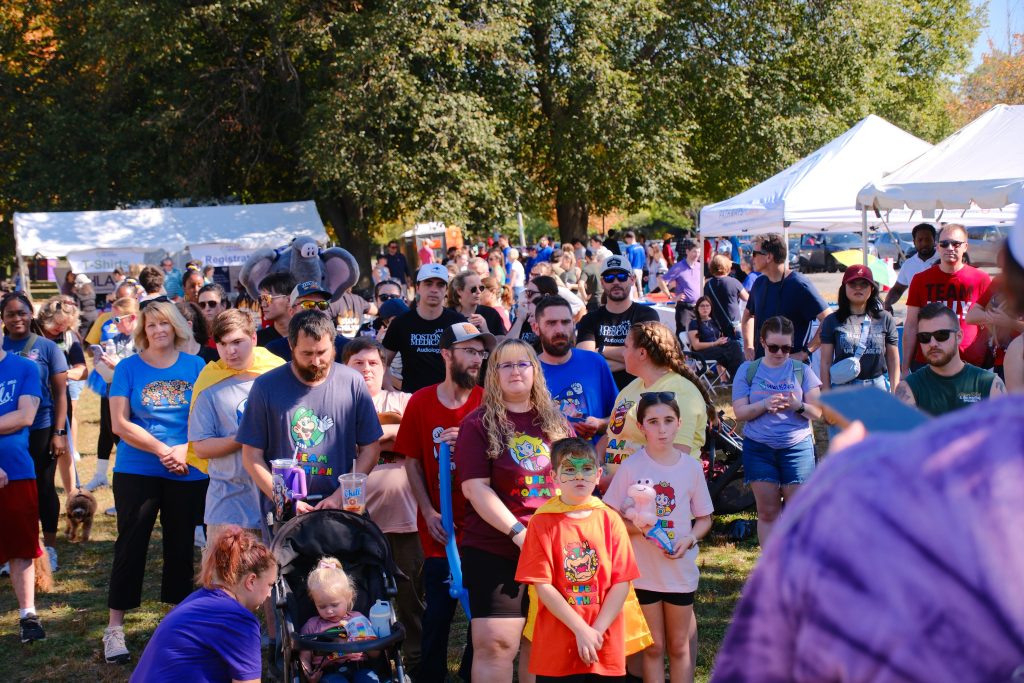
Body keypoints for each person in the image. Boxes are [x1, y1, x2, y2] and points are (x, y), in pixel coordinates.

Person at [455, 338, 573, 682]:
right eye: (505, 365)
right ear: (493, 375)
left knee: (545, 644)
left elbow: (576, 482)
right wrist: (520, 534)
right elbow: (475, 489)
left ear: (536, 371)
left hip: (556, 547)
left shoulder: (557, 423)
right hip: (497, 546)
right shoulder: (477, 424)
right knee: (497, 645)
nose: (515, 371)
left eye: (523, 363)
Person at [102, 299, 209, 664]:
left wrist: (184, 450)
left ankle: (178, 627)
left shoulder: (196, 366)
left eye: (164, 323)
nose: (158, 330)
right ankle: (114, 629)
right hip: (137, 468)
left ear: (176, 327)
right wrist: (164, 449)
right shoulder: (128, 368)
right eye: (151, 325)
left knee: (181, 548)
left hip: (186, 468)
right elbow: (120, 423)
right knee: (130, 545)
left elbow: (205, 417)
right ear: (142, 331)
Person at [394, 322, 488, 683]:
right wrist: (428, 510)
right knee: (438, 612)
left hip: (481, 526)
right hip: (440, 528)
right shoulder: (420, 402)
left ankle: (470, 672)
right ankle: (430, 675)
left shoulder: (487, 401)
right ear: (446, 354)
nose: (477, 359)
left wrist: (468, 439)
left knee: (481, 610)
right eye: (469, 351)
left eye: (480, 352)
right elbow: (412, 461)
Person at [604, 393, 714, 683]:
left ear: (679, 423)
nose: (662, 429)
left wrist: (690, 539)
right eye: (653, 422)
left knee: (679, 646)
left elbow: (705, 518)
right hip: (643, 574)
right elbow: (609, 516)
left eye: (668, 420)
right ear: (642, 427)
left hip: (679, 573)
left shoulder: (691, 467)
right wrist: (638, 529)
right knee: (653, 647)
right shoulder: (631, 467)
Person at [515, 438, 639, 681]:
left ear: (598, 475)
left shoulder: (610, 520)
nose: (579, 476)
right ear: (554, 476)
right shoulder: (541, 522)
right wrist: (581, 630)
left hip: (604, 642)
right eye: (570, 469)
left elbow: (622, 581)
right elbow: (542, 585)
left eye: (587, 468)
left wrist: (596, 632)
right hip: (557, 645)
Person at [239, 310, 383, 514]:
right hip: (286, 514)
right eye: (307, 354)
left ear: (333, 345)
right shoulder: (265, 386)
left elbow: (371, 450)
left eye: (322, 352)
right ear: (291, 346)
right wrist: (286, 499)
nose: (315, 361)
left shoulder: (352, 382)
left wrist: (340, 495)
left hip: (341, 509)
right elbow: (251, 456)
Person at [342, 337, 422, 669]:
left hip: (406, 518)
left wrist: (369, 441)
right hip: (354, 521)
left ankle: (416, 661)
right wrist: (391, 436)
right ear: (343, 368)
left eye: (374, 363)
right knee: (360, 596)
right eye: (358, 363)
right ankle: (369, 660)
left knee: (411, 597)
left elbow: (416, 437)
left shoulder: (405, 400)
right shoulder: (337, 406)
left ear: (385, 368)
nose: (366, 369)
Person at [129, 527, 276, 683]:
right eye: (270, 585)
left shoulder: (197, 598)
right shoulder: (239, 620)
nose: (269, 594)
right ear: (251, 581)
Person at [189, 310, 284, 540]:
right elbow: (200, 448)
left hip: (277, 501)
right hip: (228, 503)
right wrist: (244, 437)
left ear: (254, 338)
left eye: (237, 342)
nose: (230, 351)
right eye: (222, 344)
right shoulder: (209, 382)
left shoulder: (278, 373)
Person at [731, 316, 823, 546]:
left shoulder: (802, 370)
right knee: (768, 512)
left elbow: (818, 412)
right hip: (759, 448)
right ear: (762, 342)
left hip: (796, 448)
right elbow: (740, 412)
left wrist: (797, 406)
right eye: (773, 347)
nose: (780, 353)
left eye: (786, 348)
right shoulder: (748, 370)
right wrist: (764, 405)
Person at [1, 292, 69, 573]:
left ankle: (49, 548)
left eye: (22, 312)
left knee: (43, 486)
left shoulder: (47, 347)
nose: (17, 318)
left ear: (31, 314)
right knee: (9, 489)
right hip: (6, 431)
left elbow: (61, 394)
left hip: (41, 427)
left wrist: (59, 432)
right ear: (2, 318)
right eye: (10, 314)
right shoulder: (1, 346)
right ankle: (12, 549)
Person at [600, 321, 714, 487]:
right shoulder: (633, 387)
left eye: (626, 347)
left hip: (662, 495)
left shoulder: (680, 392)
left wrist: (613, 483)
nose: (623, 353)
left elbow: (673, 460)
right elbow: (611, 435)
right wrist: (595, 463)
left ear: (642, 353)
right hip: (623, 493)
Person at [0, 322, 46, 643]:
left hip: (17, 470)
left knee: (22, 546)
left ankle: (28, 615)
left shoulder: (25, 367)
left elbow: (25, 416)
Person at [902, 223, 991, 375]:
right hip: (928, 363)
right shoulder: (920, 280)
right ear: (938, 247)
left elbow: (990, 324)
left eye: (956, 244)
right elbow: (911, 325)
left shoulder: (981, 279)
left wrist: (981, 352)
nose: (950, 248)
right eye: (944, 244)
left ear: (965, 247)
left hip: (970, 364)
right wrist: (905, 368)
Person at [533, 296, 617, 444]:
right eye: (551, 323)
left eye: (565, 322)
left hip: (595, 455)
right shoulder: (528, 372)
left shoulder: (595, 362)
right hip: (549, 457)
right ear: (536, 328)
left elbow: (619, 416)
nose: (560, 330)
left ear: (573, 324)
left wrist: (600, 424)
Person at [895, 302, 1003, 415]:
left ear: (959, 337)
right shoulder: (908, 388)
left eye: (941, 335)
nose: (932, 343)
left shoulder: (989, 384)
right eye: (924, 337)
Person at [83, 295, 141, 494]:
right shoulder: (116, 339)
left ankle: (130, 492)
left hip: (133, 402)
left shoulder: (143, 341)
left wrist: (118, 366)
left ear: (132, 317)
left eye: (117, 319)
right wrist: (101, 363)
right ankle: (109, 482)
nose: (114, 325)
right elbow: (111, 374)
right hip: (113, 394)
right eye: (112, 320)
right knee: (110, 434)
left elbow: (141, 372)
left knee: (129, 445)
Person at [577, 256, 661, 389]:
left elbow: (648, 355)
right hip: (601, 393)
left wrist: (601, 350)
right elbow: (586, 362)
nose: (615, 282)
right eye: (609, 278)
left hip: (640, 393)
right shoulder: (589, 319)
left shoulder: (647, 315)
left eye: (622, 277)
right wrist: (634, 361)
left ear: (632, 280)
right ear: (602, 282)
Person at [741, 233, 829, 361]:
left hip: (791, 368)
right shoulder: (759, 283)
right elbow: (748, 315)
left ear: (769, 257)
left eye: (755, 253)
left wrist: (805, 352)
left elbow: (828, 319)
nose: (751, 258)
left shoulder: (799, 285)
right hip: (762, 366)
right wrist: (748, 346)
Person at [382, 264, 467, 394]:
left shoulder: (458, 322)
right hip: (413, 399)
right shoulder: (401, 323)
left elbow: (471, 362)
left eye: (440, 285)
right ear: (417, 288)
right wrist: (392, 393)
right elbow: (382, 363)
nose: (434, 290)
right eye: (428, 284)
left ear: (446, 290)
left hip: (451, 398)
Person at [818, 264, 900, 392]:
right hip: (843, 389)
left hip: (877, 388)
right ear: (844, 287)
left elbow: (893, 359)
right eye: (852, 284)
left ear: (872, 288)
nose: (858, 288)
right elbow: (825, 362)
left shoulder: (885, 318)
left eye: (864, 284)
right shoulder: (831, 320)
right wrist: (826, 394)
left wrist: (895, 391)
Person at [300, 557, 377, 683]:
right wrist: (309, 674)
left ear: (348, 597)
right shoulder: (312, 626)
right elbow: (304, 657)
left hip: (359, 667)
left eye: (335, 605)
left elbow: (375, 655)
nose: (329, 611)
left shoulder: (358, 619)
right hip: (329, 672)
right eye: (322, 606)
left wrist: (368, 642)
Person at [38, 297, 87, 487]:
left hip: (59, 397)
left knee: (64, 445)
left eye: (66, 324)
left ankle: (73, 491)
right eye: (58, 324)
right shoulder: (32, 331)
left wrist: (60, 375)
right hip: (34, 398)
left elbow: (82, 370)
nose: (60, 328)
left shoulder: (68, 336)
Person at [267, 282, 350, 362]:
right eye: (308, 304)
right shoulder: (274, 350)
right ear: (292, 312)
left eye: (322, 304)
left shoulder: (345, 347)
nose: (317, 309)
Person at [882, 223, 939, 313]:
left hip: (941, 313)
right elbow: (897, 290)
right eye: (920, 240)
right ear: (914, 242)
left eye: (928, 239)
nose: (924, 243)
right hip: (916, 315)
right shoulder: (908, 264)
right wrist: (887, 304)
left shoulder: (943, 260)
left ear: (934, 240)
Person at [687, 296, 744, 380]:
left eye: (707, 306)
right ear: (697, 308)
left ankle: (737, 377)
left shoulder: (714, 321)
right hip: (702, 353)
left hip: (717, 349)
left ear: (711, 308)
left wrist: (722, 341)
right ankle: (738, 378)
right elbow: (696, 346)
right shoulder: (694, 323)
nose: (705, 308)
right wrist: (715, 343)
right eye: (702, 306)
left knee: (735, 345)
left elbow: (719, 337)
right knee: (730, 353)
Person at [658, 239, 703, 334]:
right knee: (683, 336)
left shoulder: (699, 266)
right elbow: (661, 280)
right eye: (694, 251)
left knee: (698, 336)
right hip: (684, 309)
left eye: (699, 252)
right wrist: (671, 297)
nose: (697, 254)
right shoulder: (678, 267)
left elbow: (702, 280)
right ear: (687, 251)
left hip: (698, 308)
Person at [446, 271, 508, 336]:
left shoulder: (491, 314)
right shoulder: (448, 316)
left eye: (481, 288)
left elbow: (502, 340)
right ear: (459, 291)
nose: (478, 292)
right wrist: (463, 329)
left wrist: (485, 330)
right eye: (473, 289)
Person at [703, 254, 748, 341]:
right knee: (737, 347)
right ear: (727, 267)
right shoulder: (734, 282)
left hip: (716, 325)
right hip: (733, 326)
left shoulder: (708, 285)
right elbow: (747, 298)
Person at [256, 272, 298, 347]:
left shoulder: (307, 335)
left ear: (289, 300)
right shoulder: (258, 340)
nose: (263, 304)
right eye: (261, 299)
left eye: (267, 298)